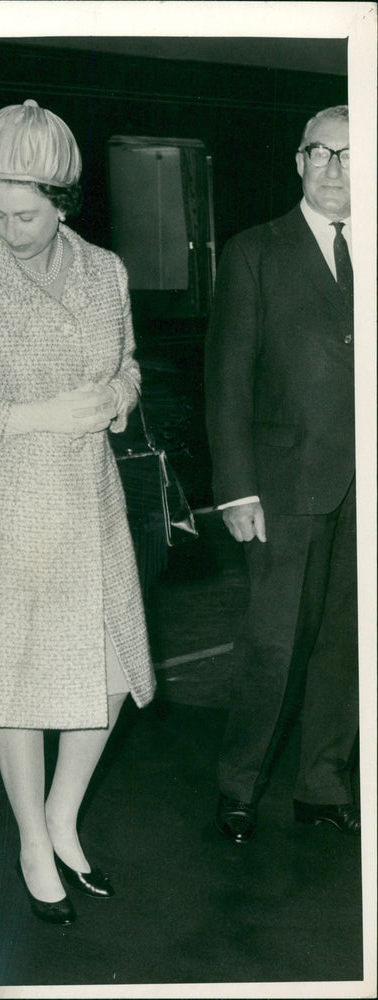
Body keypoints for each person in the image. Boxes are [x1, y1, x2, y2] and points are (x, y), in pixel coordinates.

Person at [0, 100, 156, 924]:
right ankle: (29, 837)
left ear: (62, 203)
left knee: (112, 674)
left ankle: (62, 813)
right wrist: (36, 418)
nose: (9, 229)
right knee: (18, 686)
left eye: (25, 214)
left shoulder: (108, 273)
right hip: (3, 509)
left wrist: (116, 397)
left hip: (89, 502)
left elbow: (127, 364)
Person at [205, 105, 358, 843]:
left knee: (348, 641)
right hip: (284, 484)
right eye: (320, 152)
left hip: (364, 488)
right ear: (299, 162)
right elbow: (226, 379)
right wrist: (236, 487)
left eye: (351, 155)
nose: (335, 168)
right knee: (274, 644)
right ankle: (238, 788)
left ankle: (322, 784)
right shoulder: (254, 252)